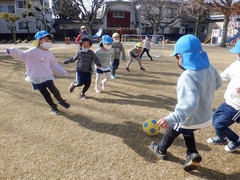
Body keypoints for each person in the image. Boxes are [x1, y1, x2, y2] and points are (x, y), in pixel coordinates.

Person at [149, 34, 222, 171]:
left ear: (182, 56)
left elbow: (189, 105)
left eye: (177, 57)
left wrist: (170, 118)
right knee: (187, 130)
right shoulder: (210, 68)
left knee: (172, 129)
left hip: (190, 117)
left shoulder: (187, 76)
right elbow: (218, 83)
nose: (177, 60)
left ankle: (160, 150)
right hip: (205, 117)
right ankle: (192, 153)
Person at [6, 30, 70, 115]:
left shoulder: (49, 53)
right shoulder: (33, 51)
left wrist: (62, 71)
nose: (49, 42)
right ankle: (53, 107)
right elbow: (22, 56)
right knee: (45, 94)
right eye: (46, 40)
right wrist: (12, 51)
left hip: (47, 75)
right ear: (39, 41)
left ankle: (60, 100)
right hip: (36, 77)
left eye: (50, 41)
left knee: (54, 90)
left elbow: (54, 63)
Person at [207, 39, 240, 152]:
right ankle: (222, 138)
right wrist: (212, 80)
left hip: (237, 106)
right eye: (238, 53)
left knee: (219, 124)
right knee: (214, 119)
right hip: (228, 101)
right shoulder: (236, 65)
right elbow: (225, 75)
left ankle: (236, 140)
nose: (238, 55)